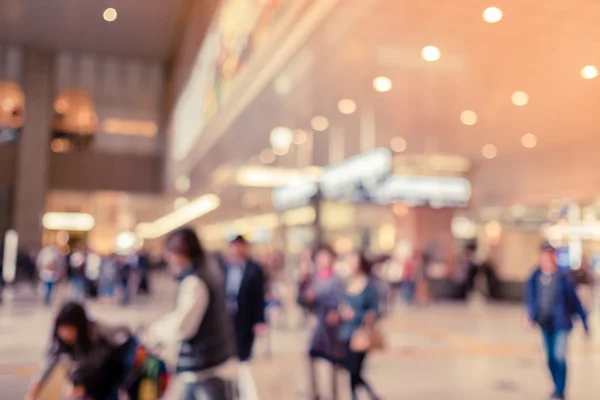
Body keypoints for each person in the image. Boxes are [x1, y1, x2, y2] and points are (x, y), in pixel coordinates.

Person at [149, 227, 237, 400]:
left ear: (180, 252)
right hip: (211, 362)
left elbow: (184, 326)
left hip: (204, 367)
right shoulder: (208, 270)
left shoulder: (194, 281)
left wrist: (156, 331)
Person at [26, 302, 141, 400]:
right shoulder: (61, 342)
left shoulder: (98, 331)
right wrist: (33, 393)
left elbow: (125, 335)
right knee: (74, 385)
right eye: (62, 329)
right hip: (90, 374)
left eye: (69, 329)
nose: (65, 334)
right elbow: (48, 364)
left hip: (111, 369)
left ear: (79, 326)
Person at [525, 241, 589, 400]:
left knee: (559, 356)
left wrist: (585, 322)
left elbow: (574, 301)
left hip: (561, 323)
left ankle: (560, 391)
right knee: (550, 358)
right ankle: (555, 385)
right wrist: (530, 316)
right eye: (544, 255)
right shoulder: (535, 276)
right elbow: (531, 298)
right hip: (544, 322)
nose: (547, 258)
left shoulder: (564, 277)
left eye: (550, 254)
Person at [299, 244, 345, 400]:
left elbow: (341, 299)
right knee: (311, 357)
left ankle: (333, 395)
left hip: (332, 327)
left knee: (333, 362)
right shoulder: (313, 278)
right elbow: (303, 301)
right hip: (317, 325)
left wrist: (336, 311)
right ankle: (315, 393)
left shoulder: (336, 278)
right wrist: (303, 288)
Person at [339, 251, 381, 400]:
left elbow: (375, 311)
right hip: (346, 332)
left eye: (354, 261)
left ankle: (370, 395)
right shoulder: (347, 282)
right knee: (351, 369)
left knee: (355, 369)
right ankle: (364, 396)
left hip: (361, 332)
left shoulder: (369, 285)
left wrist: (356, 315)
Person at [222, 235, 267, 362]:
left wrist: (260, 320)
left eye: (240, 246)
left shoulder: (254, 268)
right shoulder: (224, 267)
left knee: (244, 350)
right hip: (227, 313)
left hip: (246, 314)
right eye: (234, 246)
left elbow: (259, 295)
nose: (237, 249)